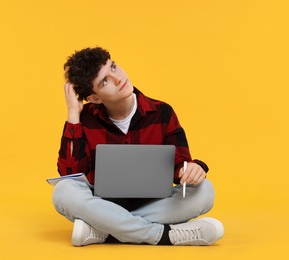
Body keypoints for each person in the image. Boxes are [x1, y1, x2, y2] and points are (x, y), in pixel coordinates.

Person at [52, 47, 224, 246]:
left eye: (113, 68)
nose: (118, 78)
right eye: (105, 81)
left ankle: (106, 230)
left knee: (204, 190)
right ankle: (164, 235)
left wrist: (193, 169)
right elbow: (71, 174)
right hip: (104, 204)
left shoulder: (162, 112)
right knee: (63, 191)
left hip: (154, 203)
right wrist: (73, 114)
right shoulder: (85, 119)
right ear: (95, 98)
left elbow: (180, 167)